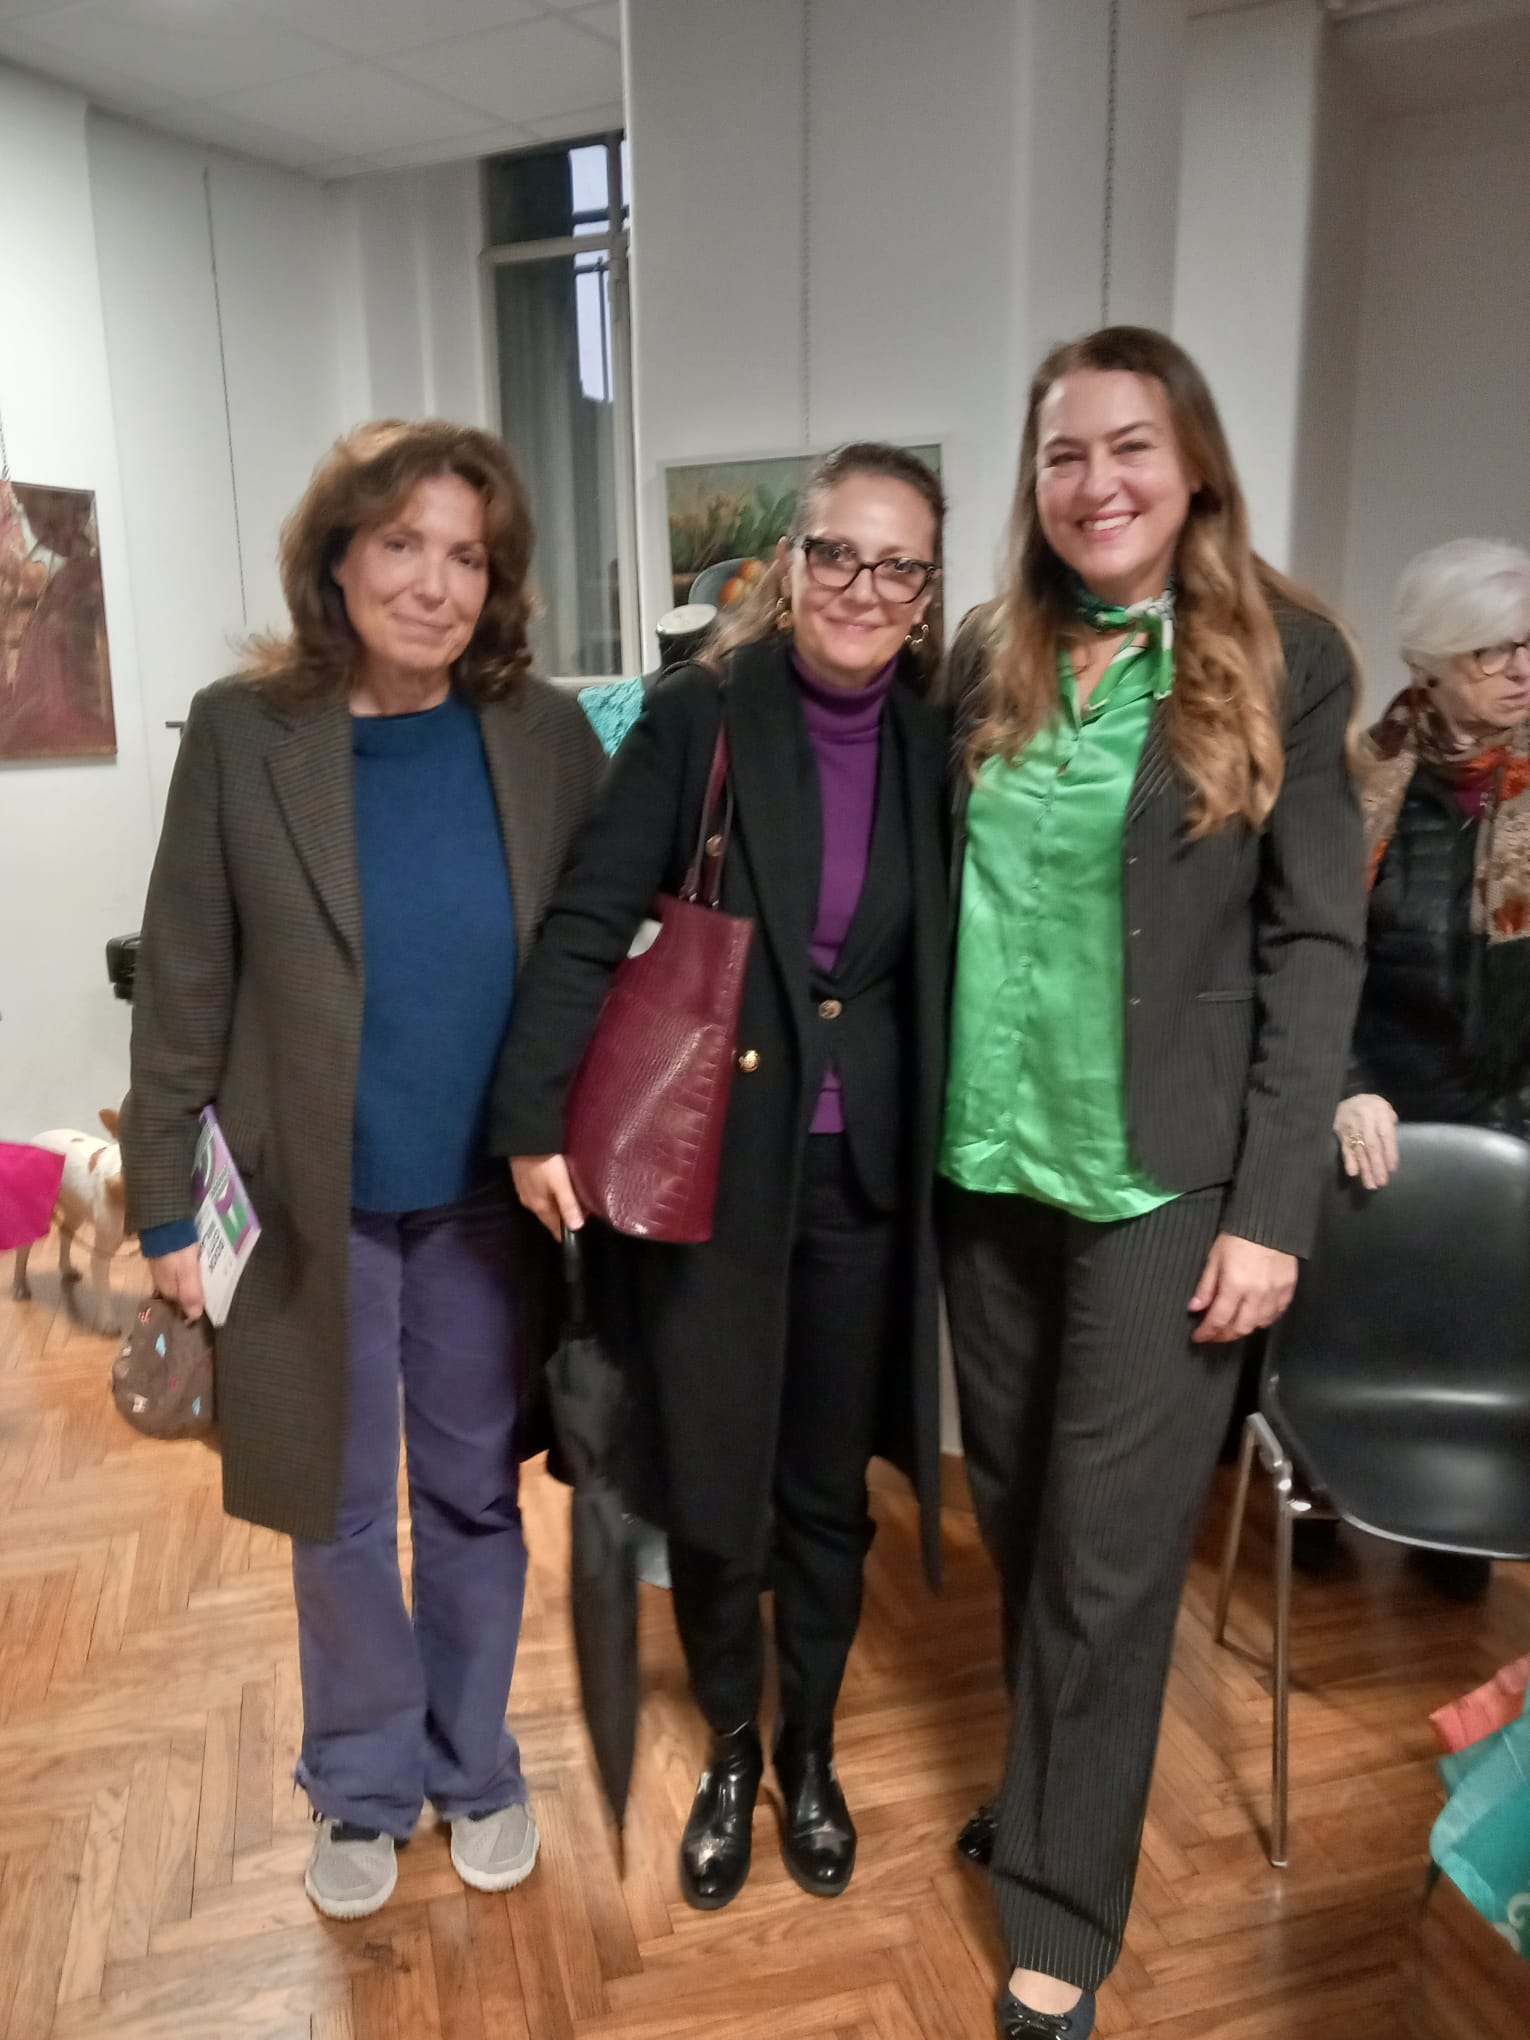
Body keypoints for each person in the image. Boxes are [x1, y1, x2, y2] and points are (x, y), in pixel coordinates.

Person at [938, 327, 1365, 2038]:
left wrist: (1271, 1206)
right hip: (988, 1165)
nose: (1094, 482)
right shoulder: (986, 656)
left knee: (1109, 1563)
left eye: (1128, 446)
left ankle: (1058, 1918)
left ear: (1190, 465)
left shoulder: (1286, 654)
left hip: (1163, 1183)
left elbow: (1314, 941)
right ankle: (1051, 1790)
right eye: (1062, 453)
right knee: (1020, 1520)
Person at [121, 420, 604, 1922]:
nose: (435, 584)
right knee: (331, 1509)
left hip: (481, 1204)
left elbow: (602, 948)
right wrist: (161, 1204)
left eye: (467, 557)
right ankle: (361, 1779)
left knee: (471, 1496)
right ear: (337, 558)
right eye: (402, 545)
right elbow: (185, 982)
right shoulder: (245, 733)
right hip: (300, 1207)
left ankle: (475, 1763)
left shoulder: (541, 737)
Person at [497, 443, 951, 1911]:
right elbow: (587, 921)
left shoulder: (936, 738)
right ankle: (734, 1749)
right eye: (838, 554)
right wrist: (531, 1120)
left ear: (926, 592)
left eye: (897, 564)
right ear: (790, 563)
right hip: (709, 1168)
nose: (863, 588)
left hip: (862, 1181)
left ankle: (812, 1748)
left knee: (825, 1486)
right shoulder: (701, 715)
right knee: (714, 1482)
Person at [1324, 536, 1530, 1601]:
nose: (1521, 669)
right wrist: (1345, 1083)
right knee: (1352, 1314)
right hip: (1376, 1098)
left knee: (1479, 1325)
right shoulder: (1362, 777)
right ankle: (1322, 1492)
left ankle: (1456, 1519)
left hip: (1509, 1106)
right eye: (1494, 649)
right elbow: (1315, 956)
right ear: (1434, 660)